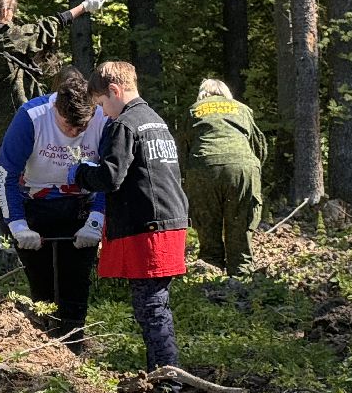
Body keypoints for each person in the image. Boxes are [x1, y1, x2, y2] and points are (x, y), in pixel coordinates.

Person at [68, 61, 190, 376]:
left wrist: (80, 172)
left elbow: (111, 178)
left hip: (149, 225)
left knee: (151, 308)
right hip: (171, 219)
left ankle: (168, 381)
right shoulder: (156, 120)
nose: (103, 113)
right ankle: (162, 373)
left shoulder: (124, 124)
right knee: (155, 303)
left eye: (101, 104)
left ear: (114, 90)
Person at [0, 68, 107, 353]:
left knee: (76, 278)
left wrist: (96, 222)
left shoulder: (103, 117)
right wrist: (18, 225)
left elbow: (112, 177)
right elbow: (5, 176)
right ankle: (43, 341)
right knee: (40, 278)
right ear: (55, 106)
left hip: (81, 203)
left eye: (81, 127)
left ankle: (74, 344)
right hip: (34, 201)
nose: (74, 133)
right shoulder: (31, 117)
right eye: (68, 126)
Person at [0, 0, 107, 166]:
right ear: (4, 11)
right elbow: (44, 29)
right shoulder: (3, 37)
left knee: (0, 173)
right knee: (18, 175)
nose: (14, 17)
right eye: (12, 12)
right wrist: (84, 7)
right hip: (14, 123)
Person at [184, 79, 267, 277]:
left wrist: (187, 176)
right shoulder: (242, 109)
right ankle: (241, 274)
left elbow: (184, 146)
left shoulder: (194, 110)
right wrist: (253, 171)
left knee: (207, 222)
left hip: (203, 167)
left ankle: (210, 271)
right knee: (240, 222)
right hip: (242, 167)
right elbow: (259, 146)